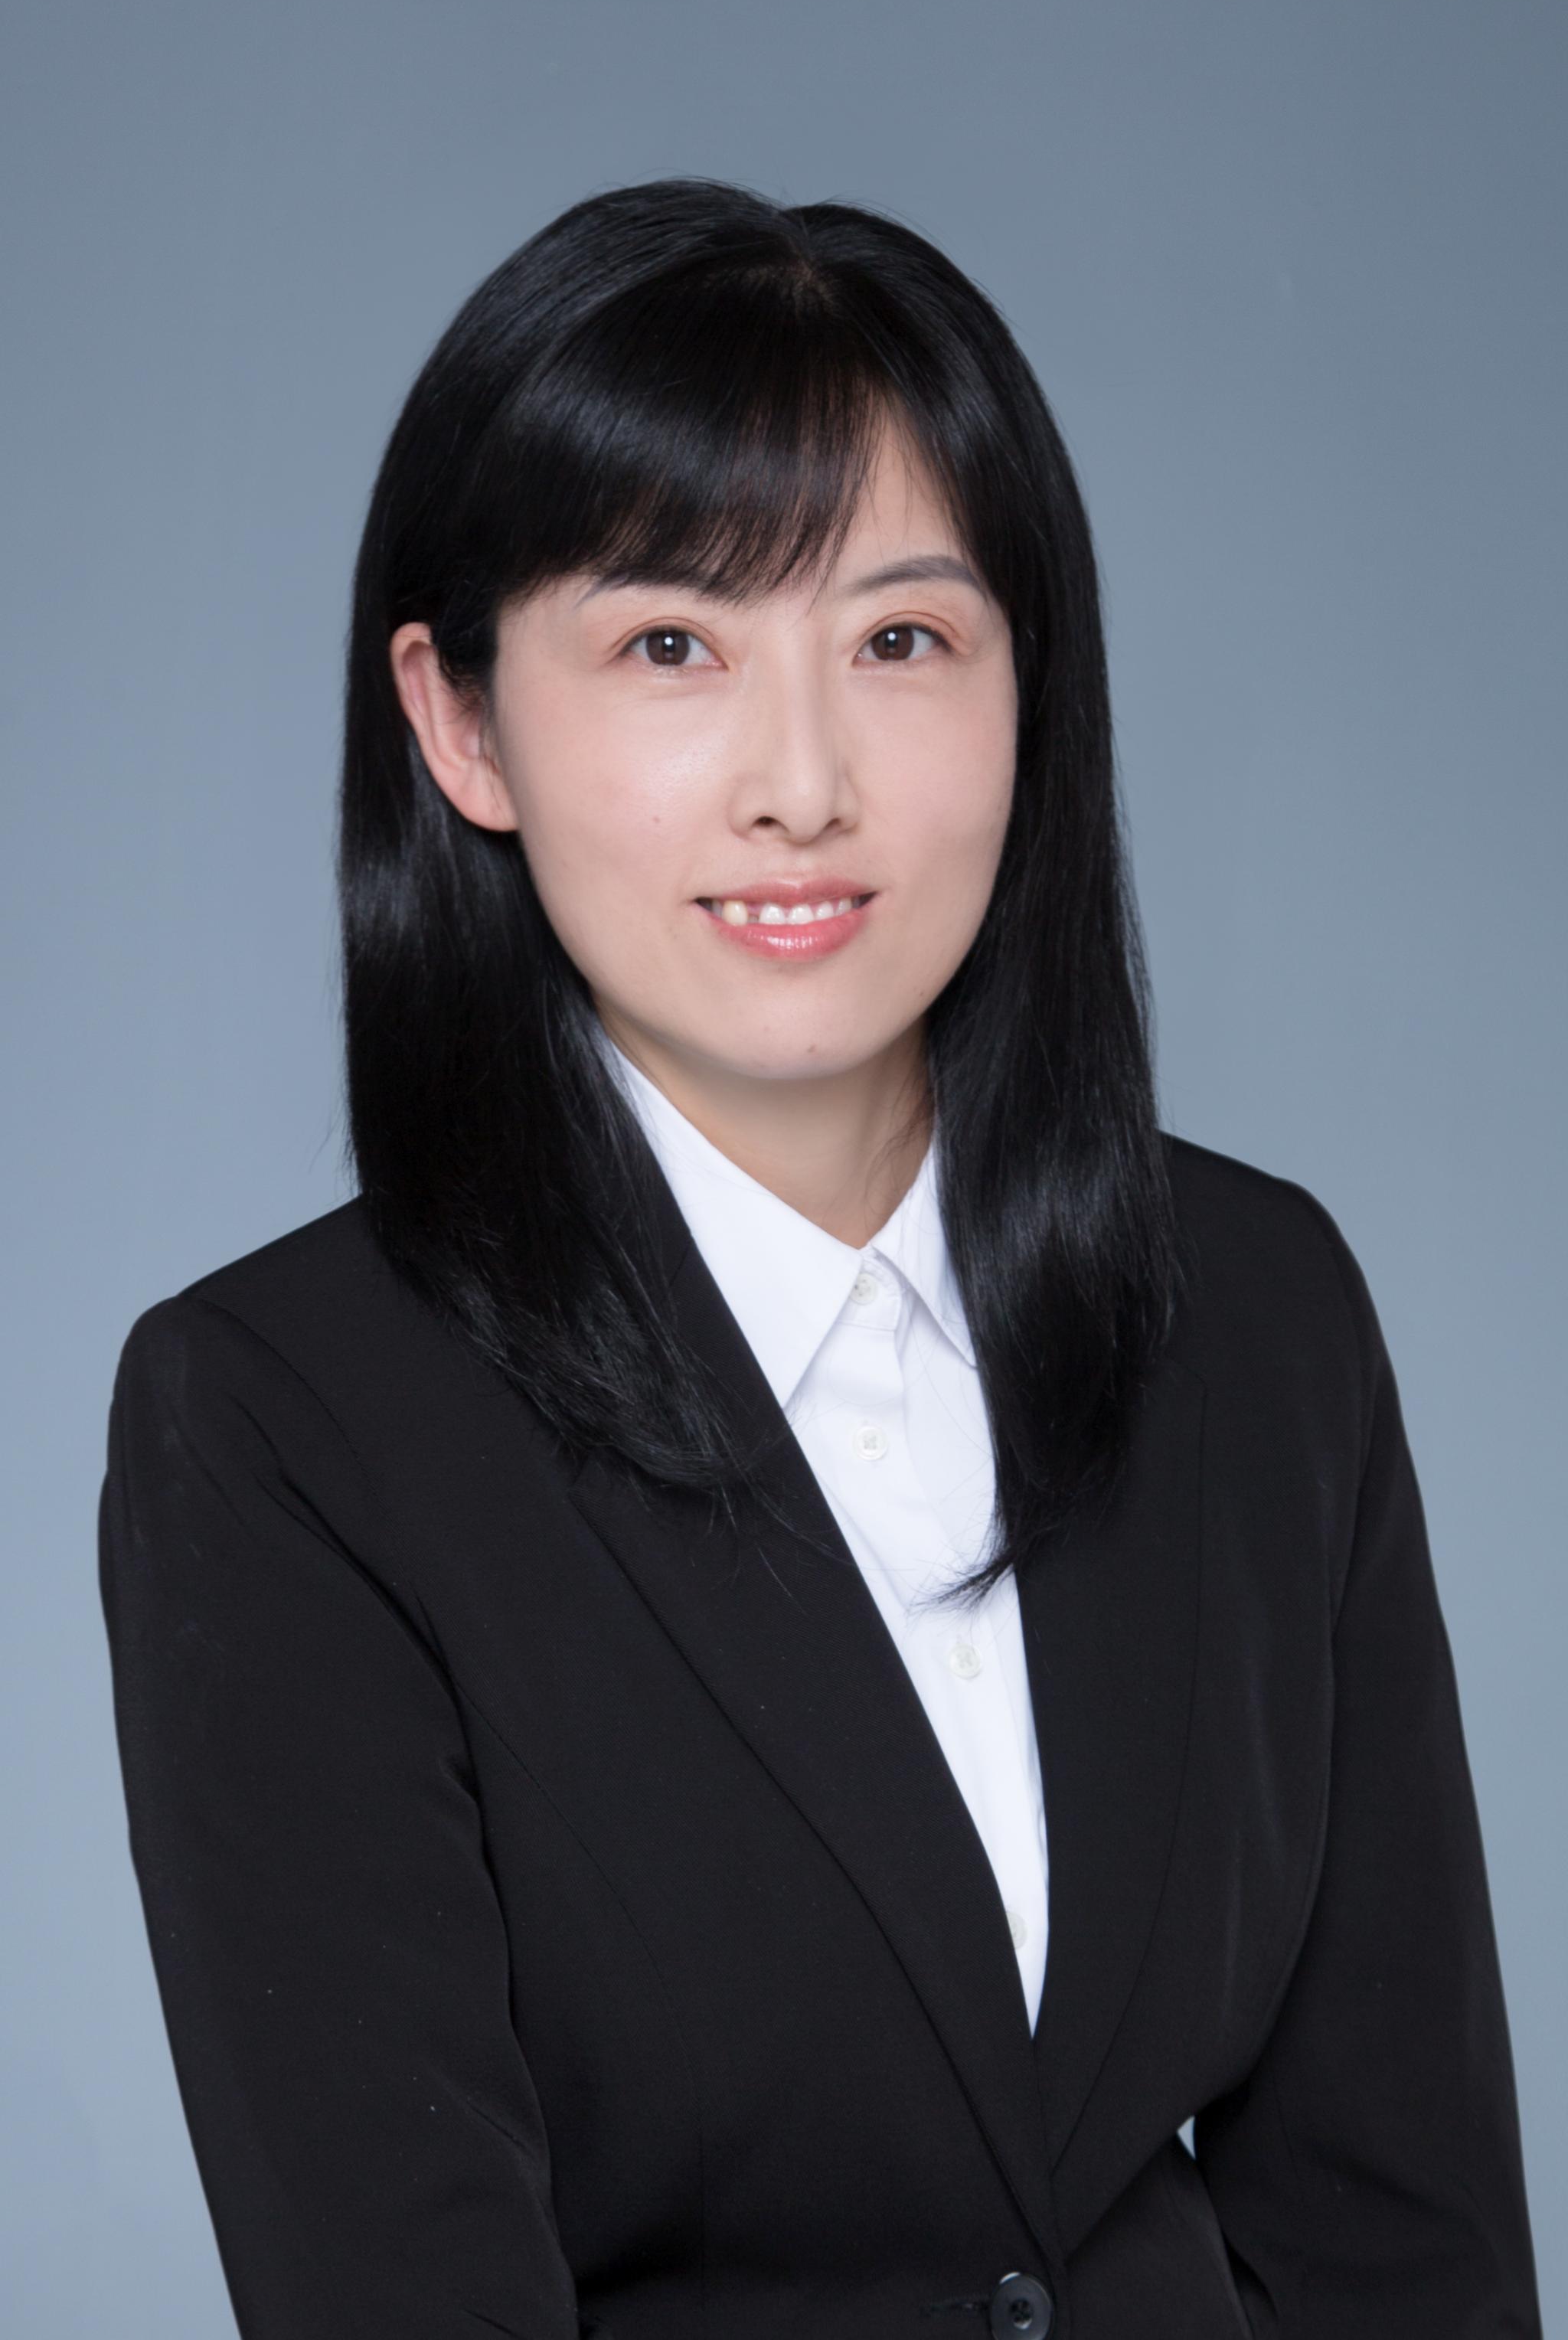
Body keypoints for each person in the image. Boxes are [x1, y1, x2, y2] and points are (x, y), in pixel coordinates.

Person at [98, 177, 1540, 2340]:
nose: (803, 784)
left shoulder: (1258, 1308)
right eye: (672, 646)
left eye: (900, 642)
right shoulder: (287, 1422)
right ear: (464, 724)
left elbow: (1404, 2240)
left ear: (1030, 686)